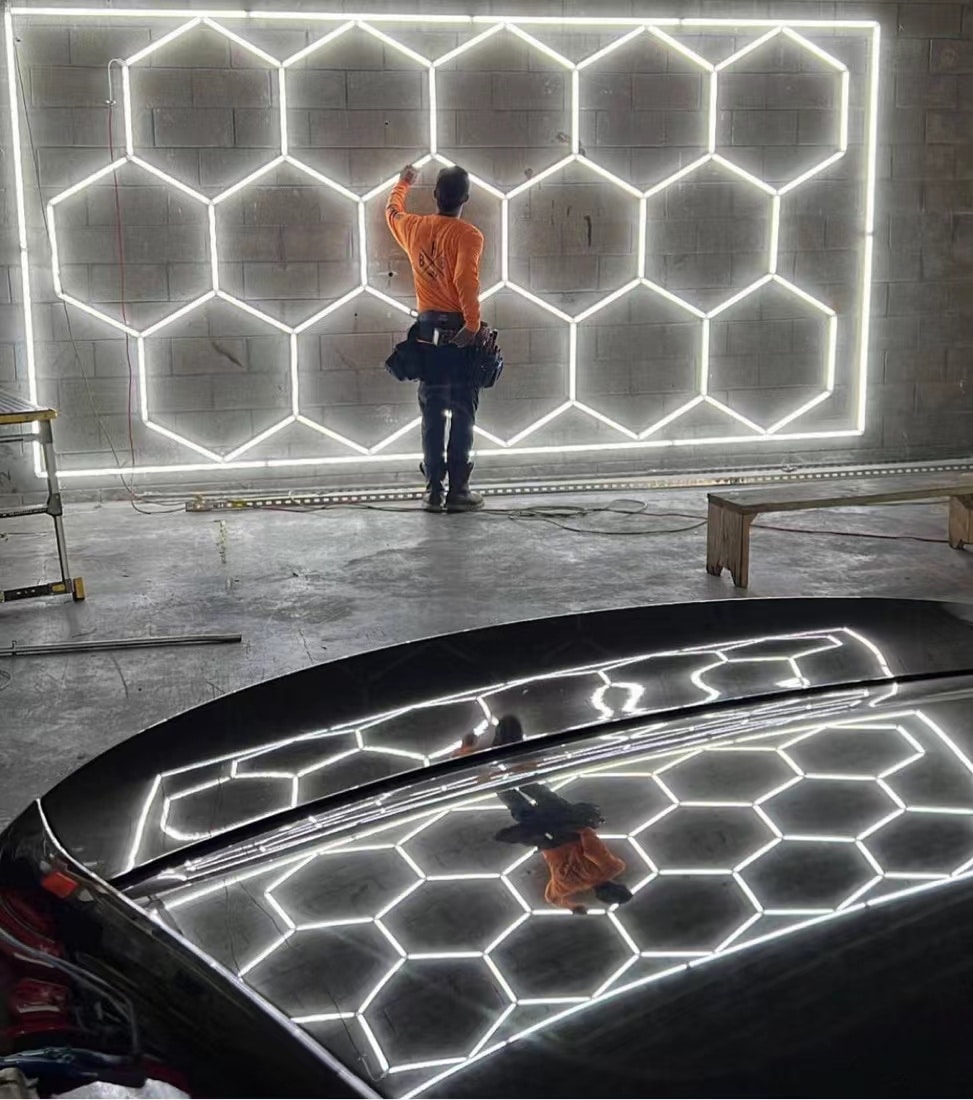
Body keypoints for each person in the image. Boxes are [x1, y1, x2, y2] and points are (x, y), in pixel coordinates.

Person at [386, 163, 489, 513]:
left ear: (435, 195)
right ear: (466, 199)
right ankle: (459, 491)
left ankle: (433, 491)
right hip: (459, 333)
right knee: (462, 411)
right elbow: (465, 280)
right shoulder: (469, 235)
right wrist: (472, 326)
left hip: (427, 335)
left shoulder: (414, 227)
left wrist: (403, 182)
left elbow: (392, 211)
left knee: (431, 413)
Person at [489, 716, 634, 915]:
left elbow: (593, 851)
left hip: (567, 826)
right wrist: (573, 907)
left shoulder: (614, 868)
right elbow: (552, 899)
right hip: (543, 836)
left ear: (618, 885)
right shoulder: (567, 886)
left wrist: (585, 828)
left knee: (535, 789)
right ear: (597, 895)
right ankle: (493, 764)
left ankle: (511, 750)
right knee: (514, 801)